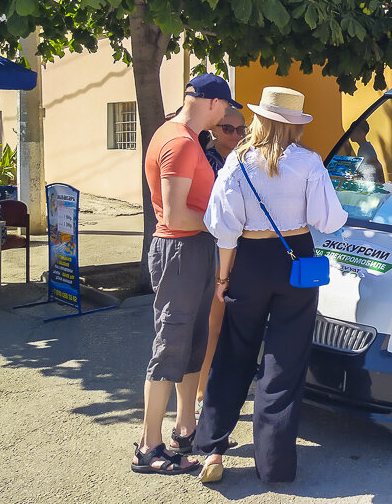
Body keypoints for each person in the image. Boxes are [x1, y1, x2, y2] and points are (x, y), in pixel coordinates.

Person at [195, 87, 348, 484]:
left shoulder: (237, 164)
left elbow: (224, 230)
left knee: (234, 350)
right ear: (294, 124)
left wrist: (223, 276)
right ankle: (274, 463)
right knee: (285, 359)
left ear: (260, 118)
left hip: (248, 259)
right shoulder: (310, 163)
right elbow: (329, 221)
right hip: (296, 259)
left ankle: (212, 447)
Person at [131, 74, 238, 475]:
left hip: (192, 249)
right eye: (226, 108)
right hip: (180, 249)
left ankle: (184, 428)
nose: (227, 115)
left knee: (192, 345)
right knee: (169, 349)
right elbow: (176, 214)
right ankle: (149, 446)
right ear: (212, 103)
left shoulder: (183, 137)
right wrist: (221, 225)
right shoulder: (179, 141)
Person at [196, 106, 247, 411]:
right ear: (215, 128)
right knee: (213, 325)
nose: (237, 135)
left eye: (242, 130)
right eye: (229, 129)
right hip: (216, 248)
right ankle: (202, 391)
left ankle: (225, 384)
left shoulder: (246, 160)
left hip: (247, 248)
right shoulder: (205, 161)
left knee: (237, 324)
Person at [204, 107, 246, 175]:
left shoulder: (249, 161)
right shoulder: (206, 163)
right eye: (227, 128)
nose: (235, 134)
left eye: (240, 129)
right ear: (214, 130)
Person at [346, 119, 385, 184]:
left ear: (361, 133)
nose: (350, 134)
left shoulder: (365, 149)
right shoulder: (363, 148)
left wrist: (383, 186)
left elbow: (378, 166)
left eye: (353, 131)